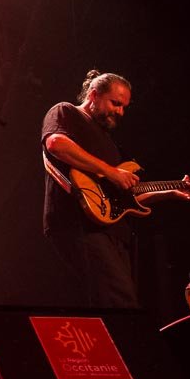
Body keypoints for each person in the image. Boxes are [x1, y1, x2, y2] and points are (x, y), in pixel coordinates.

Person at [40, 70, 138, 308]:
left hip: (111, 229)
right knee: (121, 301)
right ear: (93, 95)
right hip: (79, 223)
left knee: (114, 303)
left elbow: (126, 193)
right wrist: (111, 171)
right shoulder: (66, 111)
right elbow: (56, 143)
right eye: (115, 103)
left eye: (124, 107)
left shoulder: (109, 142)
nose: (120, 112)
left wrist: (172, 191)